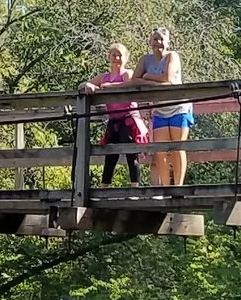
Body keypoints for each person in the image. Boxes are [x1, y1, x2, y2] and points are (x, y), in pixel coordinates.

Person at [79, 43, 144, 184]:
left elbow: (131, 83)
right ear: (109, 57)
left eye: (120, 55)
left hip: (128, 119)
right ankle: (105, 186)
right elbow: (83, 85)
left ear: (126, 58)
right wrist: (89, 85)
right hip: (113, 121)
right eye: (114, 55)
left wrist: (109, 87)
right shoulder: (104, 77)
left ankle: (135, 187)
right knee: (110, 154)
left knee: (131, 154)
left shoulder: (127, 73)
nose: (117, 58)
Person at [135, 25, 191, 186]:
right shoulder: (145, 59)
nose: (158, 42)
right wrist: (151, 80)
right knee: (159, 150)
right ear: (150, 42)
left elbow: (167, 77)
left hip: (178, 107)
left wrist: (147, 76)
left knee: (177, 147)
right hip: (159, 109)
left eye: (161, 39)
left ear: (167, 43)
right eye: (155, 39)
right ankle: (166, 188)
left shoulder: (172, 56)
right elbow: (134, 80)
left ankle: (178, 186)